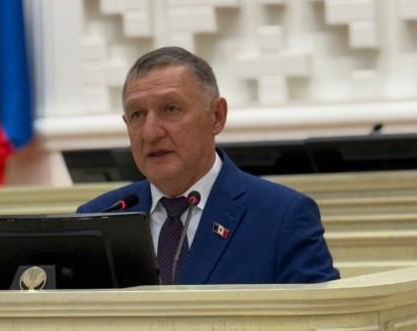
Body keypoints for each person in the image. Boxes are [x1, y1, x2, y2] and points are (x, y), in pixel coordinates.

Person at [77, 46, 340, 285]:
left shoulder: (281, 216)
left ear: (216, 116)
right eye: (137, 114)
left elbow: (320, 316)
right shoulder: (97, 220)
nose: (150, 132)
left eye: (170, 109)